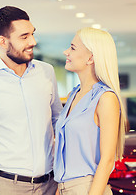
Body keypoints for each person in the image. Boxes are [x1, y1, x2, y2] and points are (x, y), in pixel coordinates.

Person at [0, 6, 63, 195]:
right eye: (24, 37)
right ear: (3, 41)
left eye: (32, 34)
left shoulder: (46, 72)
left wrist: (62, 176)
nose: (33, 41)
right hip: (6, 187)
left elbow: (59, 123)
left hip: (51, 184)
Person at [53, 27, 126, 195]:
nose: (66, 52)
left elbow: (107, 161)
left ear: (90, 58)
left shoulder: (105, 98)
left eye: (72, 48)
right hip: (64, 186)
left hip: (89, 188)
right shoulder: (73, 94)